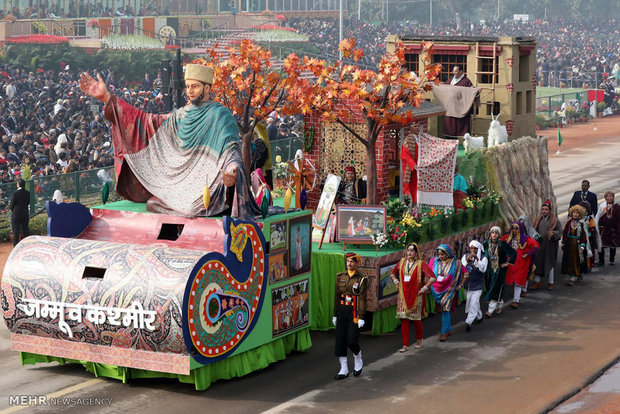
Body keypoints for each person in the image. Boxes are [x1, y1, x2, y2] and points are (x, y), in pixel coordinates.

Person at [78, 65, 260, 219]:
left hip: (209, 184)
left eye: (195, 86)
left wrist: (232, 171)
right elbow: (144, 122)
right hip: (181, 185)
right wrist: (107, 98)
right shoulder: (180, 116)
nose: (189, 91)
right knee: (153, 203)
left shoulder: (220, 114)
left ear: (207, 88)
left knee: (190, 209)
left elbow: (230, 150)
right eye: (187, 87)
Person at [390, 243, 435, 352]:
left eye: (411, 251)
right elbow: (392, 273)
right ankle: (405, 344)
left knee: (416, 319)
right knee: (404, 319)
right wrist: (396, 281)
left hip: (416, 294)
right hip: (403, 294)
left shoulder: (421, 264)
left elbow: (432, 277)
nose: (409, 253)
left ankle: (419, 340)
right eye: (408, 250)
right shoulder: (402, 262)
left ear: (416, 253)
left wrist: (423, 289)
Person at [333, 252, 367, 380]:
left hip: (354, 311)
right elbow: (336, 297)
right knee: (340, 340)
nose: (349, 263)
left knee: (351, 340)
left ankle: (358, 357)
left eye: (352, 261)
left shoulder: (361, 279)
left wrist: (362, 316)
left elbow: (362, 299)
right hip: (342, 310)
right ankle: (344, 368)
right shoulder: (340, 277)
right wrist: (334, 314)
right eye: (347, 261)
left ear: (357, 263)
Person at [429, 244, 468, 342]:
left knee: (446, 309)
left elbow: (466, 273)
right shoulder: (434, 261)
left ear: (448, 254)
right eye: (439, 254)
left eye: (442, 254)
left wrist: (460, 285)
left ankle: (443, 332)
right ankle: (449, 329)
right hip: (436, 289)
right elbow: (429, 273)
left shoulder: (456, 263)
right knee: (444, 309)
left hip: (450, 290)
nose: (440, 256)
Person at [503, 221, 539, 309]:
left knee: (518, 282)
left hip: (521, 263)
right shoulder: (508, 237)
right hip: (511, 263)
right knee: (510, 280)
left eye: (516, 229)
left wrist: (527, 254)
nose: (514, 231)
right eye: (513, 229)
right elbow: (499, 242)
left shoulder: (526, 239)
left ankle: (516, 300)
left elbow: (536, 246)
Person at [483, 226, 516, 317]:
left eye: (496, 233)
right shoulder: (486, 243)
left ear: (499, 234)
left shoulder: (502, 244)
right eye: (492, 233)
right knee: (491, 287)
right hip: (489, 270)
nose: (494, 235)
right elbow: (480, 253)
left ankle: (490, 310)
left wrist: (507, 263)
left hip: (499, 270)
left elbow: (513, 253)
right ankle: (499, 304)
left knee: (496, 287)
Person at [531, 200, 562, 290]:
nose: (544, 211)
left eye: (546, 209)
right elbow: (533, 230)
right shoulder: (538, 219)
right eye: (543, 209)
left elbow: (560, 231)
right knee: (537, 263)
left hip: (550, 246)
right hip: (539, 246)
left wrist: (553, 233)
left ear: (549, 211)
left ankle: (550, 283)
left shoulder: (554, 220)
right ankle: (537, 282)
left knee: (550, 263)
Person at [442, 65, 475, 138]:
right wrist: (434, 85)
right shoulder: (451, 80)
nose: (454, 73)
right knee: (449, 123)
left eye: (456, 71)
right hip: (450, 107)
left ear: (461, 71)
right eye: (453, 71)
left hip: (460, 108)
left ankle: (464, 142)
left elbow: (472, 91)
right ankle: (449, 138)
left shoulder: (466, 81)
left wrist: (477, 90)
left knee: (461, 124)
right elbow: (444, 87)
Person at [462, 240, 487, 331]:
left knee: (473, 303)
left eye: (475, 248)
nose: (473, 250)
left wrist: (477, 260)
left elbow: (483, 269)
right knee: (471, 302)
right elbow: (462, 267)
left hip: (478, 285)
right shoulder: (465, 256)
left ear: (478, 249)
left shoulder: (484, 258)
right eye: (471, 248)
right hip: (468, 284)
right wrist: (467, 261)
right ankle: (479, 317)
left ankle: (468, 322)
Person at [561, 205, 587, 286]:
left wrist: (582, 245)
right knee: (569, 260)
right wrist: (563, 242)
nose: (575, 214)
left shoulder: (582, 224)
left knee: (578, 260)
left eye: (577, 213)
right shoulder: (569, 223)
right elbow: (565, 233)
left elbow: (583, 235)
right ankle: (571, 277)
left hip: (577, 245)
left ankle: (579, 273)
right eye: (574, 212)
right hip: (569, 244)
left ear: (580, 214)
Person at [595, 191, 620, 266]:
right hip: (603, 229)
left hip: (612, 230)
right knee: (601, 245)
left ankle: (611, 260)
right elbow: (598, 216)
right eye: (607, 196)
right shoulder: (602, 205)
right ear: (605, 197)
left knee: (612, 245)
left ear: (613, 197)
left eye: (611, 196)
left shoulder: (617, 207)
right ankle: (601, 261)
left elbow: (619, 219)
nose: (609, 198)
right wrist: (596, 226)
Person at [9, 179, 30, 247]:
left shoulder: (15, 193)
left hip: (16, 213)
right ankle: (26, 245)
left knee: (16, 231)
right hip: (25, 213)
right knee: (25, 230)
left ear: (18, 184)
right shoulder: (27, 192)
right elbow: (28, 202)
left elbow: (12, 204)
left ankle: (16, 246)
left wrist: (13, 210)